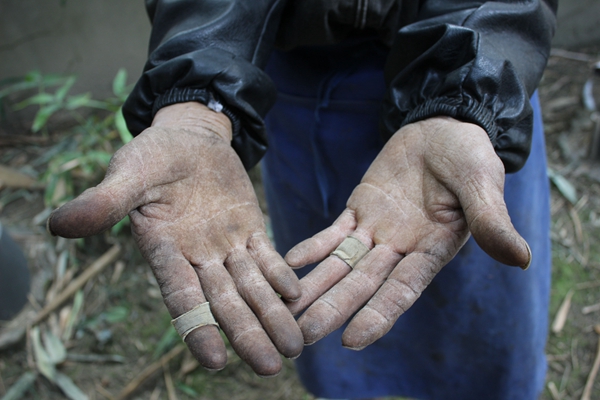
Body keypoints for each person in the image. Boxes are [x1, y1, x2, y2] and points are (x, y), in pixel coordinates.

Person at [47, 1, 557, 398]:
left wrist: (466, 98)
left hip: (482, 81)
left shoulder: (475, 96)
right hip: (293, 81)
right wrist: (199, 94)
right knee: (322, 297)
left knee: (474, 323)